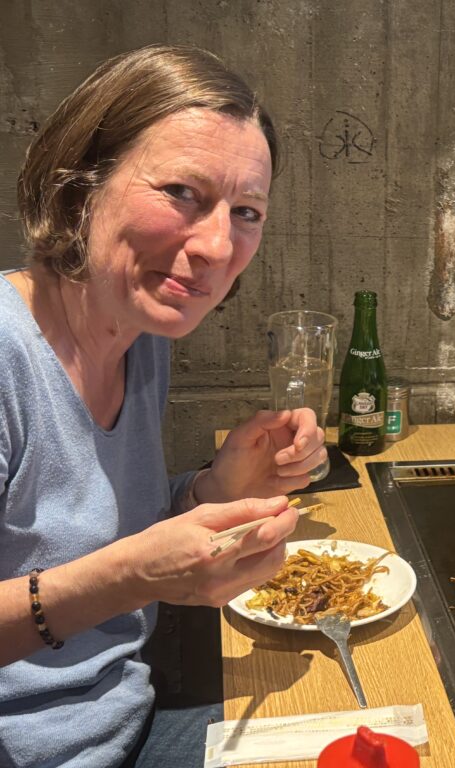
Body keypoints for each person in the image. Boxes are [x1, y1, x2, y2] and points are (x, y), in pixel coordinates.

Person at [0, 45, 327, 767]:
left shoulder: (142, 334)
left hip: (129, 717)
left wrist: (218, 487)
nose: (217, 244)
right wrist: (132, 579)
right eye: (182, 192)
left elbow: (101, 538)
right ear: (78, 187)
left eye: (246, 212)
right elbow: (118, 568)